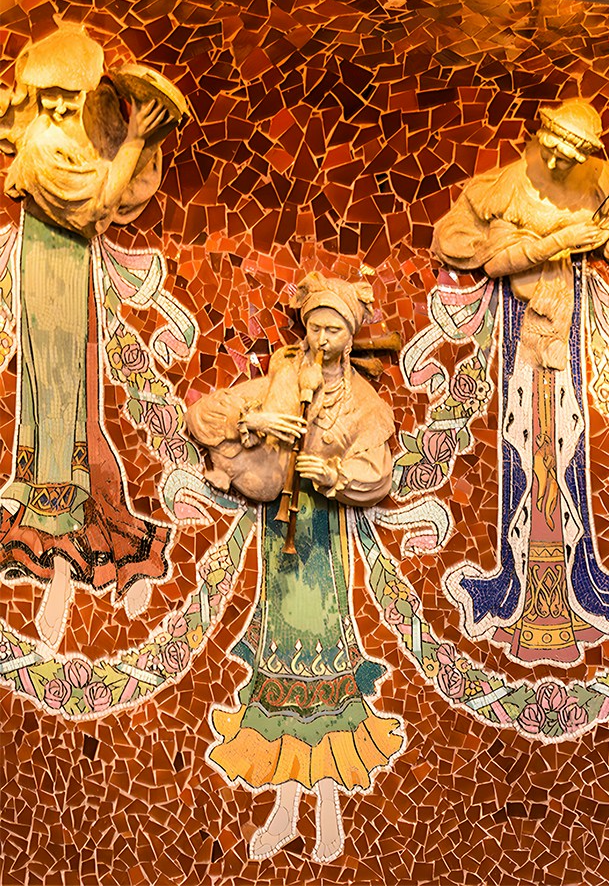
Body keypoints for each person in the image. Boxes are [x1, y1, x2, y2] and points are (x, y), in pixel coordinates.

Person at [189, 274, 402, 864]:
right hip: (277, 546)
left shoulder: (362, 401)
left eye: (334, 329)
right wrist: (256, 424)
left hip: (320, 548)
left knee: (327, 677)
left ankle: (328, 812)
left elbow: (378, 471)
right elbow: (206, 415)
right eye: (315, 327)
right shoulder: (285, 377)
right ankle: (285, 812)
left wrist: (332, 473)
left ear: (350, 335)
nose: (322, 338)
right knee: (278, 678)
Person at [433, 97, 609, 663]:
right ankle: (514, 584)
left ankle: (578, 582)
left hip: (569, 340)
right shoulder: (503, 186)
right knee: (520, 442)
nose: (557, 162)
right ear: (539, 133)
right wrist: (549, 241)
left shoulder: (605, 184)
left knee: (567, 442)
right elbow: (465, 245)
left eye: (572, 155)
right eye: (553, 147)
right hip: (518, 337)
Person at [0, 23, 184, 650]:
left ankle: (91, 542)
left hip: (70, 275)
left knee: (78, 407)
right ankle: (56, 552)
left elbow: (119, 199)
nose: (55, 108)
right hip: (47, 275)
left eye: (68, 97)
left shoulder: (73, 145)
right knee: (55, 405)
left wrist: (140, 141)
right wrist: (132, 138)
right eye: (45, 94)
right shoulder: (45, 148)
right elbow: (99, 206)